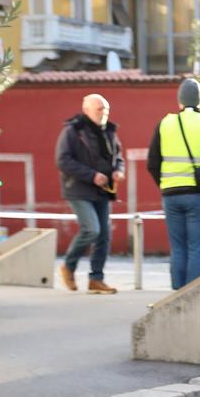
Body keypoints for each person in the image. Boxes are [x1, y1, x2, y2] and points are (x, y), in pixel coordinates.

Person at [147, 78, 200, 290]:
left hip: (171, 195)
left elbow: (152, 163)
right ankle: (193, 295)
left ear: (179, 101)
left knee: (178, 248)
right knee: (197, 248)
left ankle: (177, 295)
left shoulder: (165, 124)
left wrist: (164, 185)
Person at [56, 93, 124, 294]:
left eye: (106, 109)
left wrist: (119, 170)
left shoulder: (109, 131)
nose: (104, 113)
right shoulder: (73, 131)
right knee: (91, 229)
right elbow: (63, 160)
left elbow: (118, 156)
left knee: (104, 235)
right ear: (86, 110)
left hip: (102, 190)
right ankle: (68, 265)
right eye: (99, 109)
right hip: (78, 189)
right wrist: (91, 175)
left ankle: (96, 279)